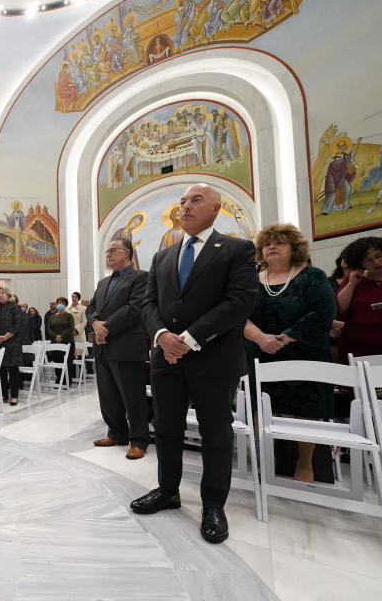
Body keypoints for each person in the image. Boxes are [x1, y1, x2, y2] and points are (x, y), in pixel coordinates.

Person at [132, 183, 256, 545]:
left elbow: (240, 302)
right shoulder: (162, 256)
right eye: (182, 201)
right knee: (167, 428)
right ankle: (168, 490)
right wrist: (161, 338)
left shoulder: (236, 249)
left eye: (195, 200)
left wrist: (187, 339)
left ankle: (213, 505)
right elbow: (148, 303)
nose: (185, 206)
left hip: (214, 358)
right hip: (166, 358)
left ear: (217, 208)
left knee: (215, 433)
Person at [242, 224, 336, 482]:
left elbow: (324, 311)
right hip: (259, 351)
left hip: (303, 352)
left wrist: (284, 338)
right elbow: (238, 313)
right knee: (260, 403)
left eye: (280, 242)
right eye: (267, 243)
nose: (272, 246)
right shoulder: (250, 279)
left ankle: (304, 462)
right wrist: (261, 338)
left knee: (306, 406)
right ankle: (266, 457)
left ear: (294, 248)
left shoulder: (312, 276)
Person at [86, 239, 150, 459]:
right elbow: (92, 307)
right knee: (108, 394)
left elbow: (135, 308)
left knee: (132, 395)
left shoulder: (141, 277)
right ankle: (116, 433)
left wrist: (107, 328)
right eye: (107, 251)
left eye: (113, 251)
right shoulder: (103, 283)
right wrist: (95, 323)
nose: (108, 254)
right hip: (103, 347)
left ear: (127, 253)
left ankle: (139, 440)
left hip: (126, 345)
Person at [0, 286, 25, 405]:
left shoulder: (15, 307)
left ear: (8, 295)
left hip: (12, 344)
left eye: (3, 293)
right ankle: (3, 395)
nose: (0, 295)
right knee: (1, 370)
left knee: (13, 370)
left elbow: (17, 326)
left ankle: (14, 396)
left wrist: (4, 337)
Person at [46, 296, 76, 386]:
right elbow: (48, 328)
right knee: (57, 361)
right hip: (55, 342)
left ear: (66, 305)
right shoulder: (51, 317)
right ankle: (59, 380)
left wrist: (61, 336)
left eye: (63, 303)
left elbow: (71, 328)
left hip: (67, 341)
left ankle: (67, 381)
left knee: (67, 362)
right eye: (59, 303)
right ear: (56, 304)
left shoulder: (69, 316)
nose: (61, 305)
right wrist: (55, 336)